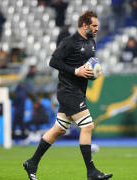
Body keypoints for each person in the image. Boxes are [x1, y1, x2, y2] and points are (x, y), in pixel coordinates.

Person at [23, 10, 113, 180]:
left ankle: (32, 163)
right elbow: (53, 61)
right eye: (94, 26)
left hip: (78, 91)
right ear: (85, 25)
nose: (96, 29)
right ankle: (91, 172)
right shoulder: (69, 42)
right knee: (88, 126)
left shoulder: (91, 42)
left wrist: (92, 73)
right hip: (68, 91)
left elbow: (87, 65)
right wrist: (75, 71)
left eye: (97, 26)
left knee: (59, 130)